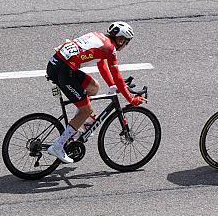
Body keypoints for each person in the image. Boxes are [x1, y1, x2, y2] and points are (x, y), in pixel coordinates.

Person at [45, 21, 145, 163]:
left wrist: (111, 85)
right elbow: (117, 76)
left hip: (58, 65)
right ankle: (58, 145)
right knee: (86, 110)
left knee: (94, 87)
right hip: (64, 71)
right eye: (126, 42)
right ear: (121, 40)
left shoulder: (100, 37)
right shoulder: (110, 49)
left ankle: (81, 121)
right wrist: (131, 99)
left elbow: (101, 64)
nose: (125, 45)